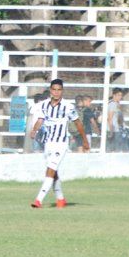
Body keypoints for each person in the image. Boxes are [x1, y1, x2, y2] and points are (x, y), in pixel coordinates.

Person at [29, 79, 89, 209]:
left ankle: (38, 200)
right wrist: (34, 130)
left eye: (59, 90)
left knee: (50, 169)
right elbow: (40, 120)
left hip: (61, 144)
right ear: (50, 90)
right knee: (53, 172)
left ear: (62, 91)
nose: (56, 92)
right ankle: (61, 199)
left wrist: (85, 140)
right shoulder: (44, 105)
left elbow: (78, 123)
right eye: (54, 89)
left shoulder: (68, 106)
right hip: (48, 143)